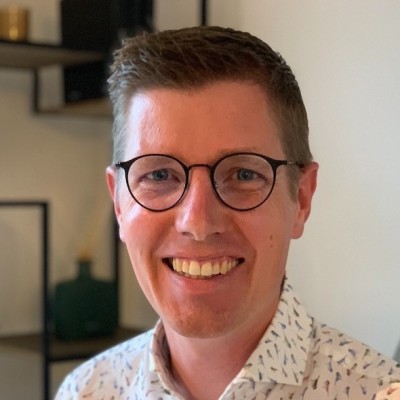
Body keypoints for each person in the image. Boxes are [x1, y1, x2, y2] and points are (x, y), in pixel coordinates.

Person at [55, 26, 400, 400]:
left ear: (301, 199)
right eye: (159, 175)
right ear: (120, 203)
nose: (198, 222)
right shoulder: (86, 391)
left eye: (243, 174)